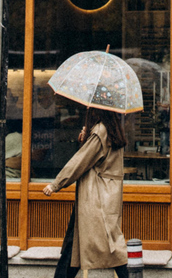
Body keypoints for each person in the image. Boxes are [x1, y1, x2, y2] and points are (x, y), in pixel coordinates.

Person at [42, 107, 129, 278]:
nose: (88, 111)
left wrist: (56, 184)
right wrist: (86, 139)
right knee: (77, 245)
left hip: (94, 197)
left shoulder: (100, 132)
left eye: (90, 108)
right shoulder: (112, 129)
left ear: (97, 111)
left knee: (111, 248)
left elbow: (81, 161)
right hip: (106, 195)